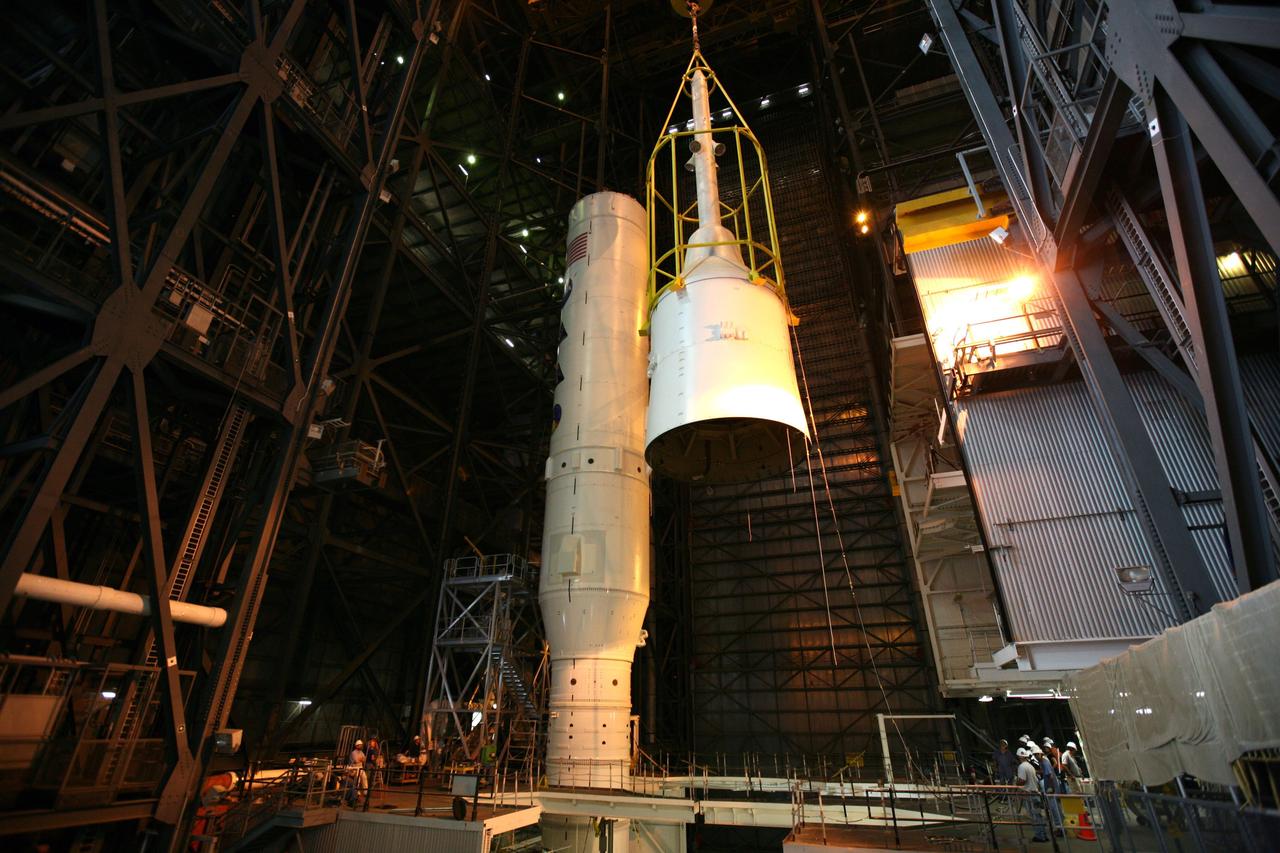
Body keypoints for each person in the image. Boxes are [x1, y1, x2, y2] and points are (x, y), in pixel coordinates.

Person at [1016, 748, 1049, 843]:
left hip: (1029, 794)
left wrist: (1016, 783)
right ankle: (1043, 835)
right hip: (1035, 793)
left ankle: (1039, 836)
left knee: (1034, 815)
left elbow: (1022, 780)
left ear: (1019, 756)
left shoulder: (1022, 767)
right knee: (1038, 815)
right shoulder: (1030, 766)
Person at [1037, 748, 1065, 834]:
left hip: (1051, 789)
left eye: (1036, 754)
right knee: (1056, 807)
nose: (1035, 756)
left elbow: (1050, 776)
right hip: (1052, 787)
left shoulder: (1045, 762)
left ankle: (1060, 828)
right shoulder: (1045, 760)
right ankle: (1062, 824)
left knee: (1054, 808)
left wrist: (1050, 788)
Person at [344, 739, 367, 806]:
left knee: (364, 777)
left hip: (360, 768)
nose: (361, 746)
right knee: (358, 778)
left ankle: (365, 791)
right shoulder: (353, 753)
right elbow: (357, 761)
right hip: (354, 769)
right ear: (357, 746)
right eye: (360, 745)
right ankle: (357, 792)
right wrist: (361, 760)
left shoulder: (361, 752)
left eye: (361, 745)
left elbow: (364, 759)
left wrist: (362, 760)